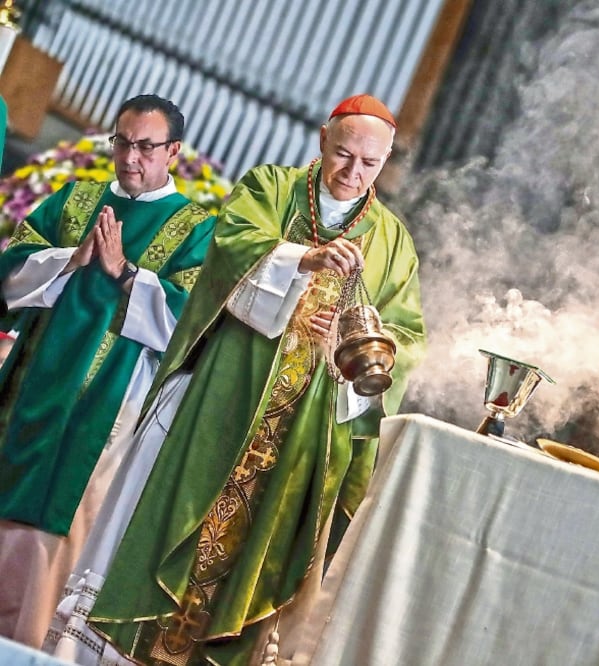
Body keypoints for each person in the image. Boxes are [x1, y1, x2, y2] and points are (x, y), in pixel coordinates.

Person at [57, 94, 425, 665]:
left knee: (250, 567)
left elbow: (405, 336)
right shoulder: (270, 188)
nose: (353, 173)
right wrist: (302, 261)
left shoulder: (394, 242)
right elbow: (229, 251)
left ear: (385, 163)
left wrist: (348, 346)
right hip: (221, 401)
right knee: (171, 529)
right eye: (344, 154)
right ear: (323, 140)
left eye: (370, 164)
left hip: (299, 433)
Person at [0, 93, 216, 647]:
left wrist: (127, 274)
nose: (130, 157)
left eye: (145, 146)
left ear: (173, 151)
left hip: (110, 410)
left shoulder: (194, 227)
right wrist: (67, 260)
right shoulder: (78, 199)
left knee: (72, 525)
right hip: (31, 388)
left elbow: (191, 323)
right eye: (122, 142)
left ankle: (38, 649)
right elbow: (10, 266)